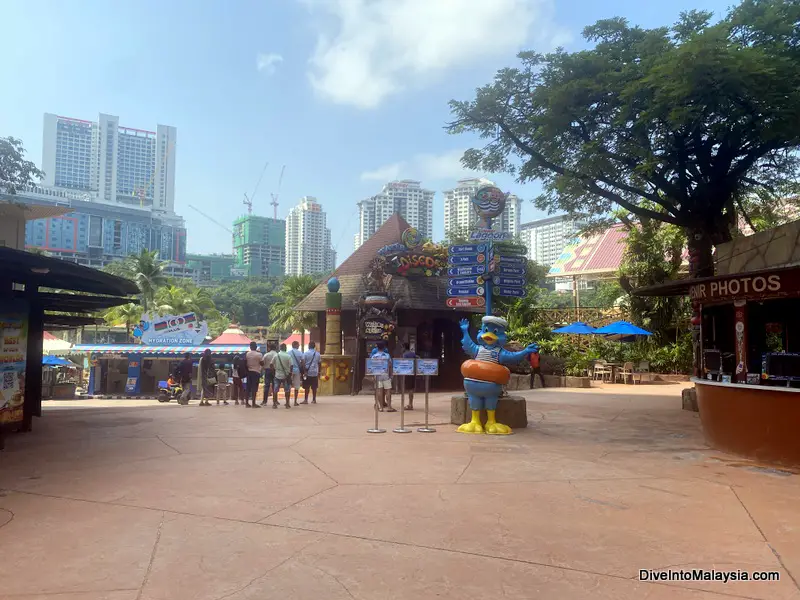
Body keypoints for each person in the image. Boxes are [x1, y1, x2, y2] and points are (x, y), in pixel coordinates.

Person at [372, 341, 394, 412]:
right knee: (388, 391)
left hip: (377, 375)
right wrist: (391, 375)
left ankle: (381, 407)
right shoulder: (387, 355)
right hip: (385, 375)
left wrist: (373, 376)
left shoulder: (374, 356)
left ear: (377, 347)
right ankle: (389, 407)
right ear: (384, 347)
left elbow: (371, 367)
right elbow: (390, 366)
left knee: (379, 391)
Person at [272, 343, 293, 409]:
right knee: (287, 390)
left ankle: (274, 404)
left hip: (277, 375)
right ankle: (287, 404)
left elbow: (271, 364)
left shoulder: (276, 355)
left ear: (280, 348)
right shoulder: (288, 356)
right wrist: (290, 373)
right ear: (285, 348)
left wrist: (274, 372)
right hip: (286, 376)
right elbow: (291, 365)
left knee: (275, 390)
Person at [244, 342, 263, 408]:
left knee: (248, 388)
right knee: (254, 388)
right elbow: (262, 363)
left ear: (250, 347)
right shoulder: (259, 354)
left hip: (249, 372)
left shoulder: (247, 354)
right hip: (256, 372)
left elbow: (245, 362)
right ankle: (253, 403)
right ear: (256, 346)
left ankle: (246, 403)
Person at [288, 341, 305, 407]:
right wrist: (304, 370)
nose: (299, 346)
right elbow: (303, 362)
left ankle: (288, 401)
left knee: (288, 386)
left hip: (290, 371)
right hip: (297, 371)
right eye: (298, 345)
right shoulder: (300, 353)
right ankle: (295, 401)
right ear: (296, 345)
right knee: (296, 387)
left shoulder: (288, 353)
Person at [401, 342, 417, 410]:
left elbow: (404, 364)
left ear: (404, 347)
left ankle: (410, 405)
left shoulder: (405, 354)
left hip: (407, 373)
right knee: (411, 389)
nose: (401, 349)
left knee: (409, 389)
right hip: (413, 372)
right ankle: (411, 403)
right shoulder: (413, 354)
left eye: (402, 347)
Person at [261, 342, 278, 406]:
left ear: (269, 348)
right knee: (275, 385)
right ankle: (275, 401)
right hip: (275, 371)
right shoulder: (277, 354)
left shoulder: (266, 355)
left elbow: (262, 362)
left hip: (267, 370)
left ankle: (264, 401)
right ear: (276, 348)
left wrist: (262, 368)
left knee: (266, 386)